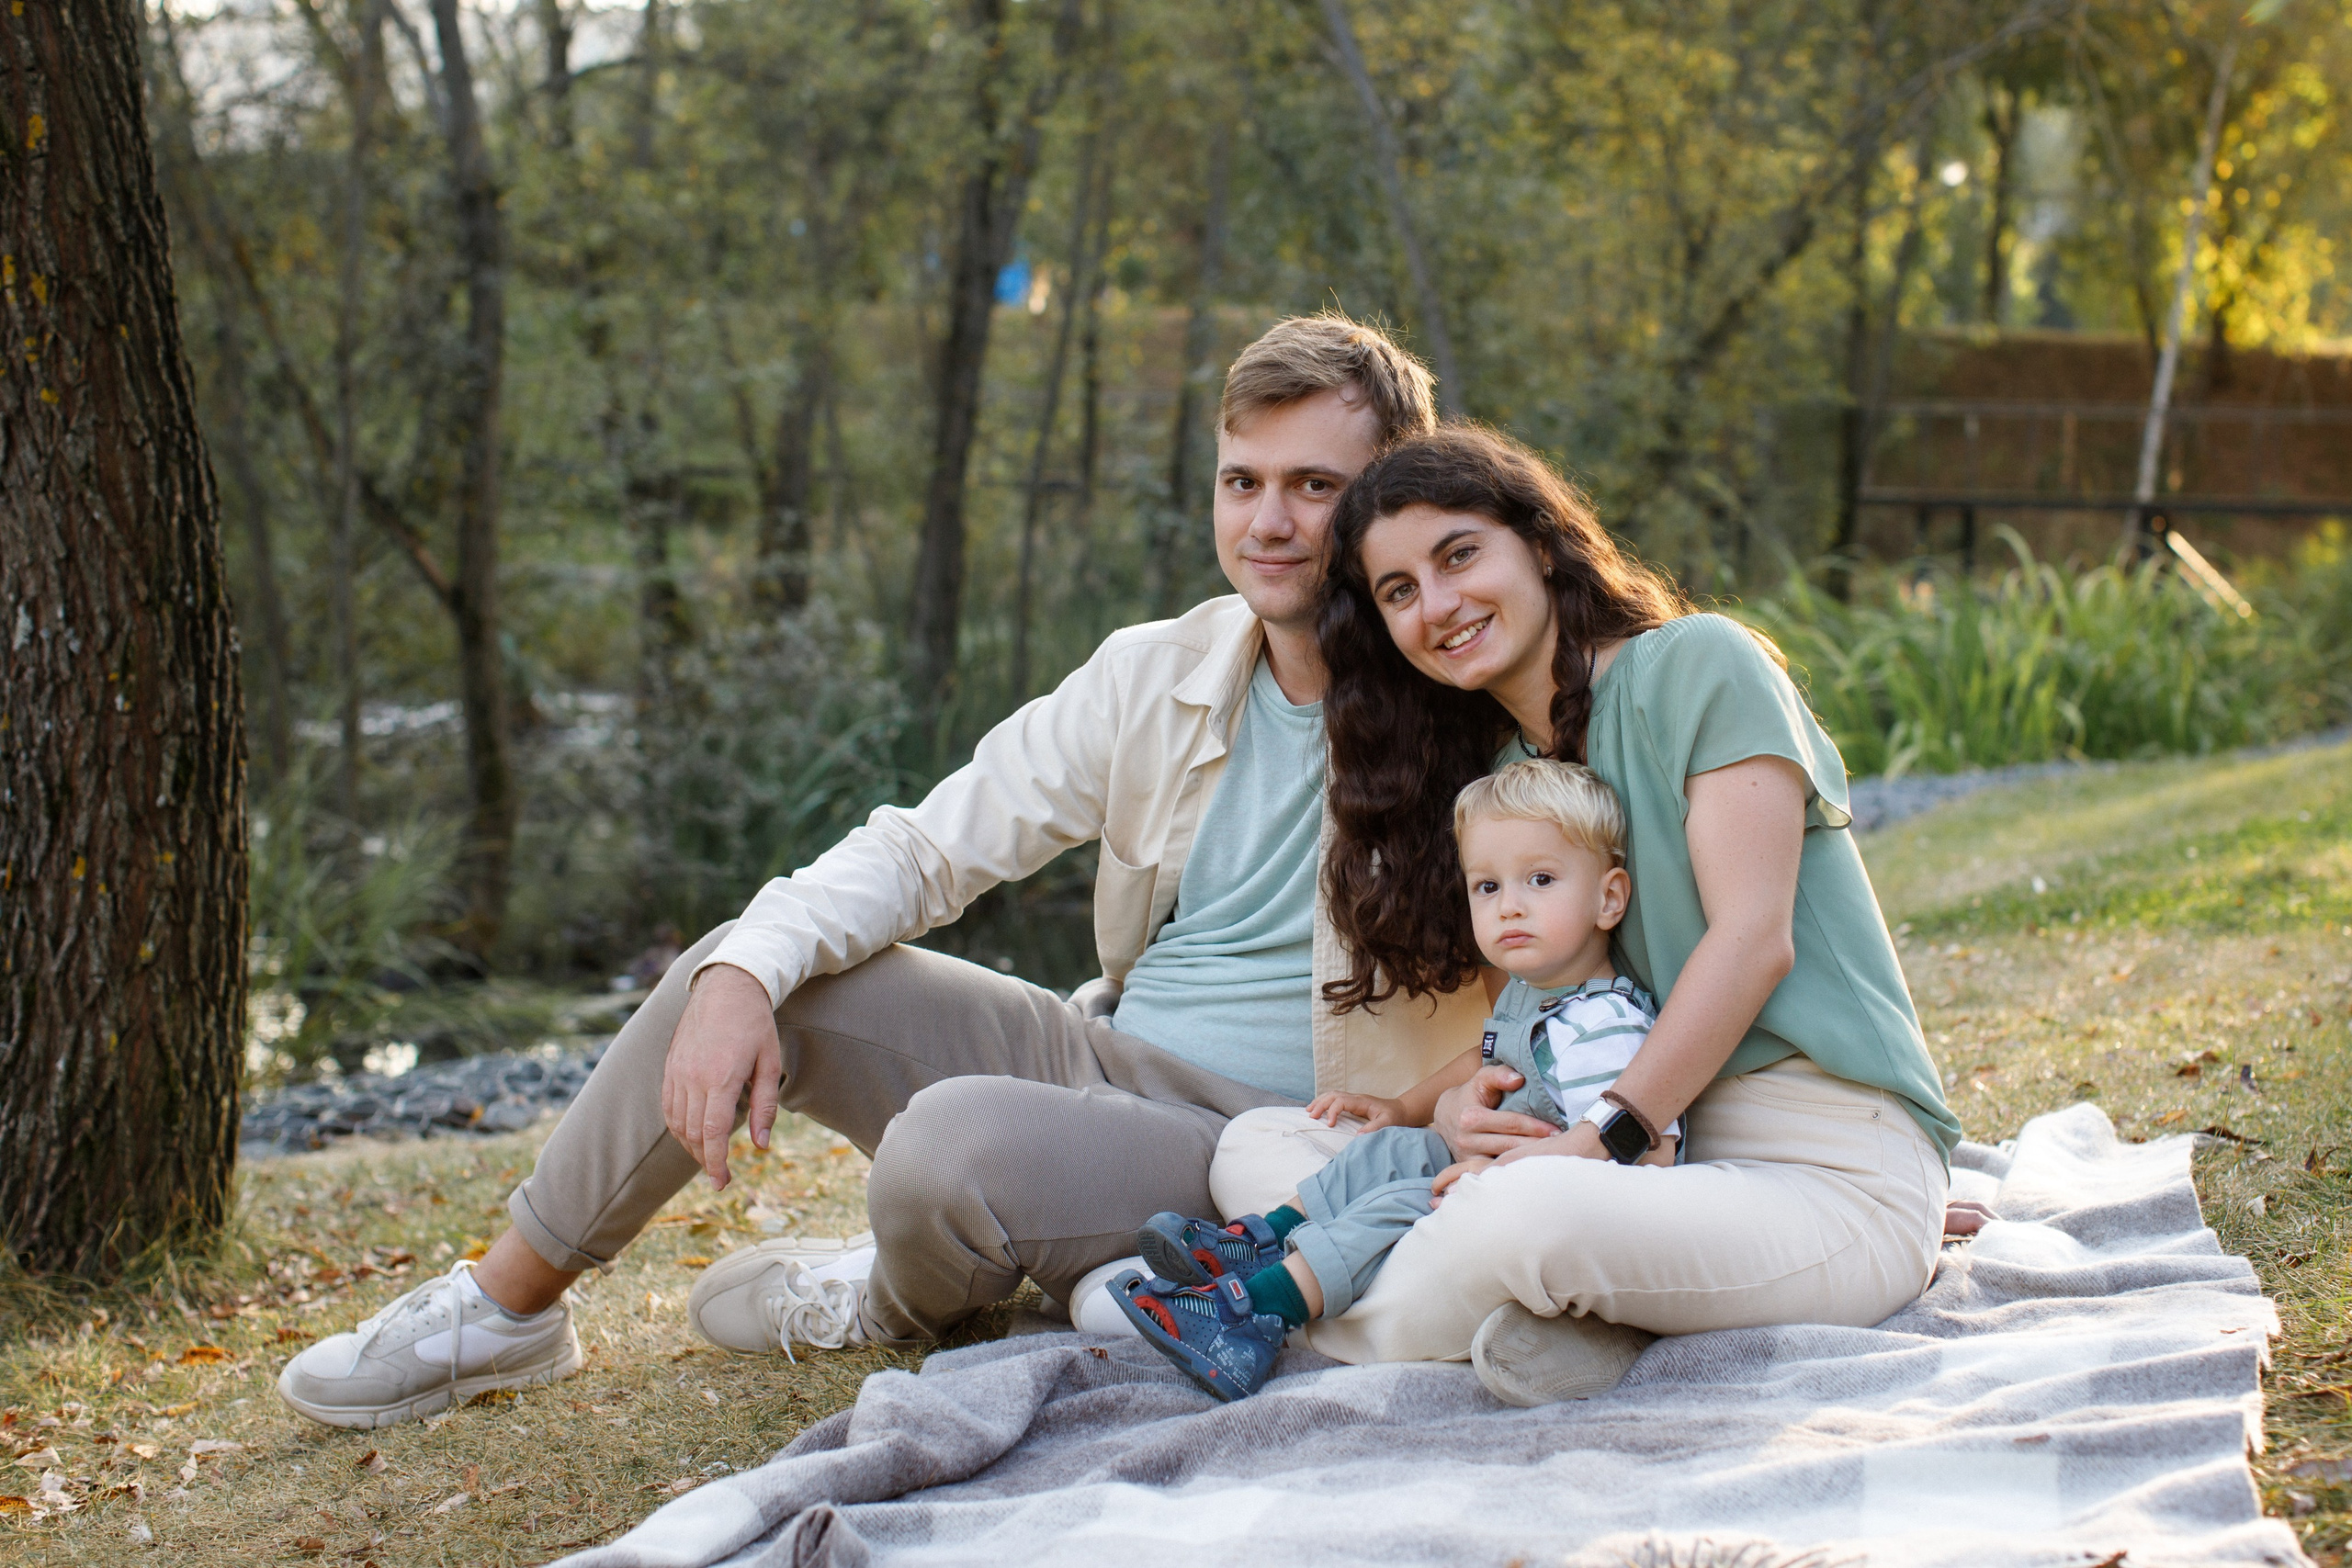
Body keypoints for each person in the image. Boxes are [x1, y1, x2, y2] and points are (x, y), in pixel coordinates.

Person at [276, 313, 1498, 1430]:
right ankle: (503, 1310)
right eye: (1243, 481)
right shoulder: (1159, 669)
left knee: (946, 1146)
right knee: (748, 961)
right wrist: (751, 965)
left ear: (1391, 496)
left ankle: (910, 1296)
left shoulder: (1473, 700)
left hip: (1279, 1142)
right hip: (1102, 1063)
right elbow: (928, 843)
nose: (1269, 523)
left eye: (1315, 488)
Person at [1205, 423, 1961, 1405]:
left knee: (1527, 1216)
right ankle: (1567, 1323)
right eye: (1398, 591)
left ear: (1542, 542)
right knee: (1258, 1146)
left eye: (1458, 555)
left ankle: (1277, 1311)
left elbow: (1751, 942)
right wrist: (1451, 1111)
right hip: (1624, 1173)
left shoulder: (1699, 667)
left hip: (1816, 1169)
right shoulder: (1511, 786)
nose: (1437, 605)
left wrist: (1599, 1137)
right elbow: (1530, 1020)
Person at [1105, 759, 1677, 1402]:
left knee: (1397, 1205)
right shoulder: (1532, 995)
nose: (1510, 905)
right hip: (1478, 1164)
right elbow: (1480, 1061)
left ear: (1609, 897)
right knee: (1388, 1151)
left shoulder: (1603, 1021)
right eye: (1487, 887)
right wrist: (1403, 1104)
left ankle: (1252, 1315)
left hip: (1539, 1206)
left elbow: (1650, 1151)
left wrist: (1515, 1175)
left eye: (1540, 879)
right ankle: (1259, 1240)